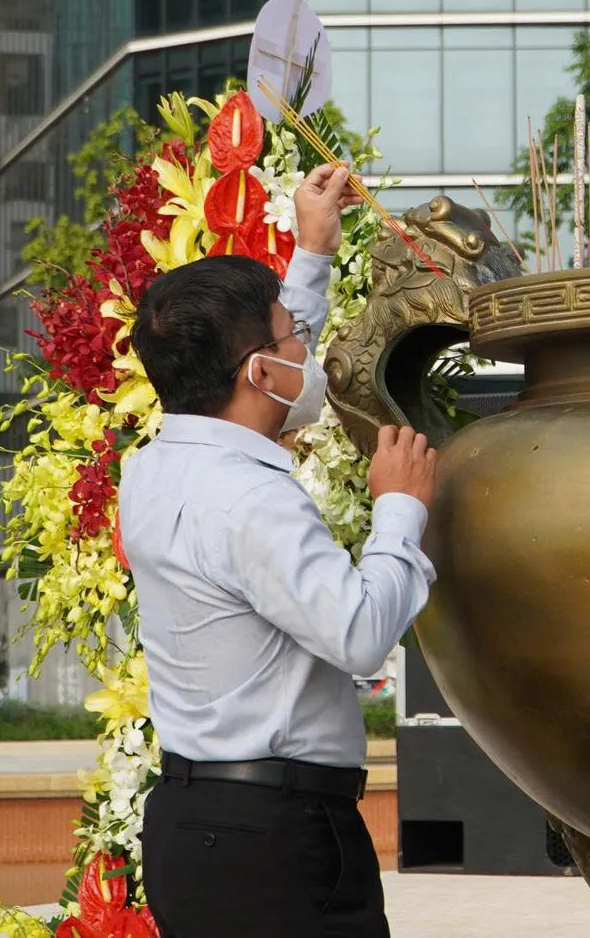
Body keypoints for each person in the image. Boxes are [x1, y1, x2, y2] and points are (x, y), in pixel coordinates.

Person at [123, 161, 436, 938]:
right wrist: (399, 506)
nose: (310, 348)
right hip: (279, 841)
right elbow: (361, 634)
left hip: (191, 827)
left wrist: (313, 249)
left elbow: (266, 373)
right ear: (260, 368)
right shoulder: (251, 497)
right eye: (294, 337)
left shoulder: (153, 468)